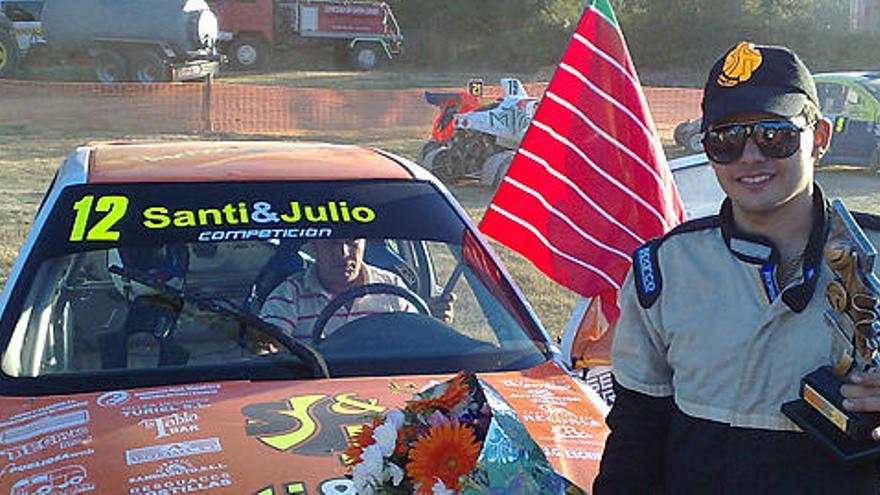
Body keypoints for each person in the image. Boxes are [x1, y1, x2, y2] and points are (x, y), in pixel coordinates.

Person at [593, 42, 880, 493]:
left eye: (774, 135)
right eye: (725, 140)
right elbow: (636, 434)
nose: (750, 156)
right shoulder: (666, 270)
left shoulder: (874, 261)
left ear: (819, 136)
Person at [259, 238, 454, 345]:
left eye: (352, 242)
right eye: (332, 243)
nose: (343, 254)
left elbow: (417, 343)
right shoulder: (289, 295)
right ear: (313, 246)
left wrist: (432, 325)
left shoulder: (393, 288)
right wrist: (267, 346)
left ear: (364, 244)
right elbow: (268, 348)